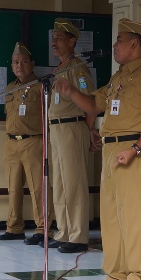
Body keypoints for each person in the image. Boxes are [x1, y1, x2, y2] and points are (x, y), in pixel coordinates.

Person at [54, 18, 141, 280]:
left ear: (134, 44)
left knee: (134, 218)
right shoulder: (117, 78)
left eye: (119, 40)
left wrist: (137, 149)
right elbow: (94, 104)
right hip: (110, 151)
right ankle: (115, 277)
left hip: (133, 151)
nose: (115, 45)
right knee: (112, 218)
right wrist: (72, 93)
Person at [46, 19, 94, 254]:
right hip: (56, 130)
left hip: (72, 128)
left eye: (59, 38)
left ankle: (78, 235)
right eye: (53, 38)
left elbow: (91, 105)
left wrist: (86, 130)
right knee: (60, 184)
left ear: (72, 41)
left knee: (74, 183)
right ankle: (63, 231)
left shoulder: (78, 69)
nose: (54, 42)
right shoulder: (59, 69)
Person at [0, 42, 50, 245]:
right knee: (13, 187)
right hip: (11, 143)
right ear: (11, 66)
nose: (20, 65)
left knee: (38, 188)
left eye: (24, 62)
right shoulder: (10, 88)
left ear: (32, 64)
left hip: (33, 141)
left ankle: (42, 228)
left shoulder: (40, 87)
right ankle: (14, 227)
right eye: (16, 62)